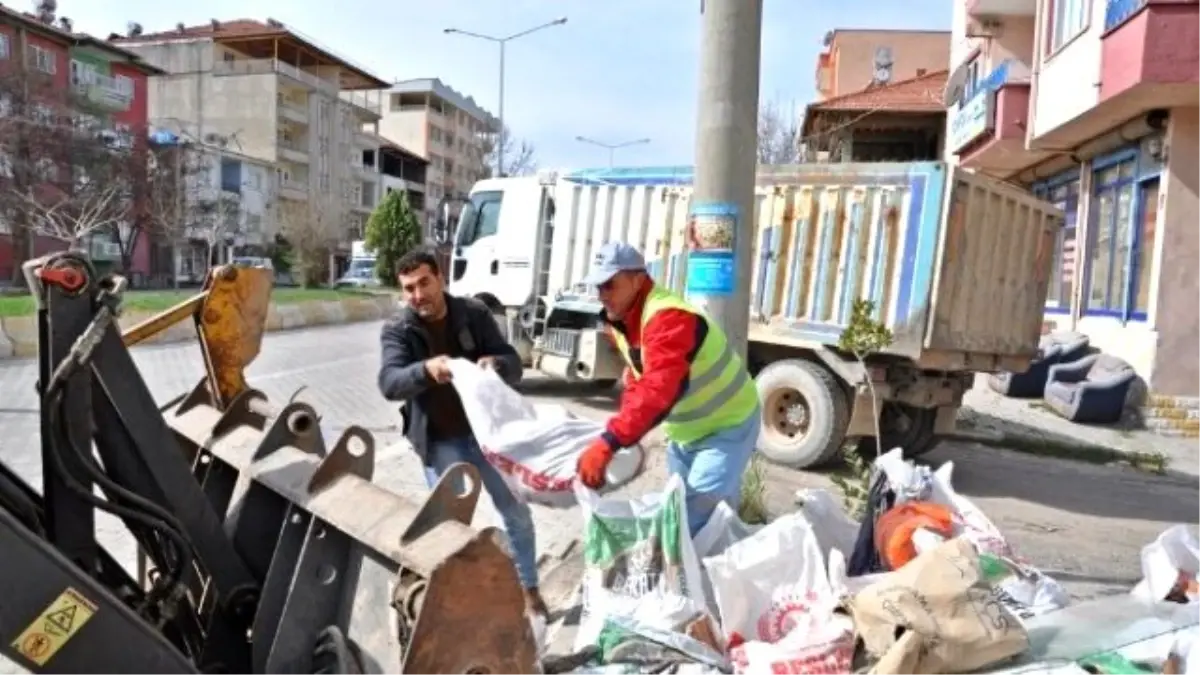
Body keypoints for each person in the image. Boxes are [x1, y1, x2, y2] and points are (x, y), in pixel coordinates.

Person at [377, 248, 546, 616]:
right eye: (409, 288)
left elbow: (515, 364)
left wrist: (497, 363)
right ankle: (459, 607)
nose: (418, 295)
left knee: (515, 513)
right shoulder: (398, 329)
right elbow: (389, 383)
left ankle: (529, 591)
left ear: (440, 278)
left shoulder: (474, 314)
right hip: (440, 443)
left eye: (425, 282)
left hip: (489, 438)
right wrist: (425, 370)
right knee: (448, 527)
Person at [575, 241, 762, 536]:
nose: (602, 296)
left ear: (637, 279)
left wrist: (610, 441)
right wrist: (624, 432)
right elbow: (639, 381)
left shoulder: (667, 318)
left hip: (727, 425)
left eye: (609, 285)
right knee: (691, 515)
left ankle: (705, 576)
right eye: (597, 287)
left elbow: (658, 391)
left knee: (695, 517)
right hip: (685, 434)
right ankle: (715, 568)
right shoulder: (625, 321)